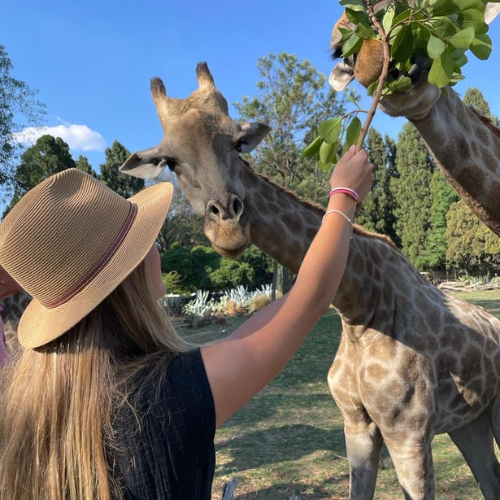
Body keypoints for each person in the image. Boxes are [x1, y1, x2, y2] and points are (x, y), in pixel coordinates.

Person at [0, 145, 372, 500]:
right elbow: (311, 295)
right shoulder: (161, 400)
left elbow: (269, 321)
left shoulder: (26, 413)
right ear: (127, 275)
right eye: (146, 239)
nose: (156, 248)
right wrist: (344, 195)